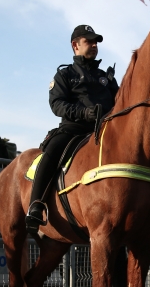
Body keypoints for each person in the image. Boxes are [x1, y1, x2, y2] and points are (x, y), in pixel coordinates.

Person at [26, 24, 119, 232]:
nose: (94, 45)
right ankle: (36, 205)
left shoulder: (106, 78)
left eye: (96, 42)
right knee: (52, 151)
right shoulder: (65, 75)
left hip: (104, 132)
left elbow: (121, 102)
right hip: (73, 130)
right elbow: (56, 104)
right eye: (89, 41)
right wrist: (83, 113)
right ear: (75, 45)